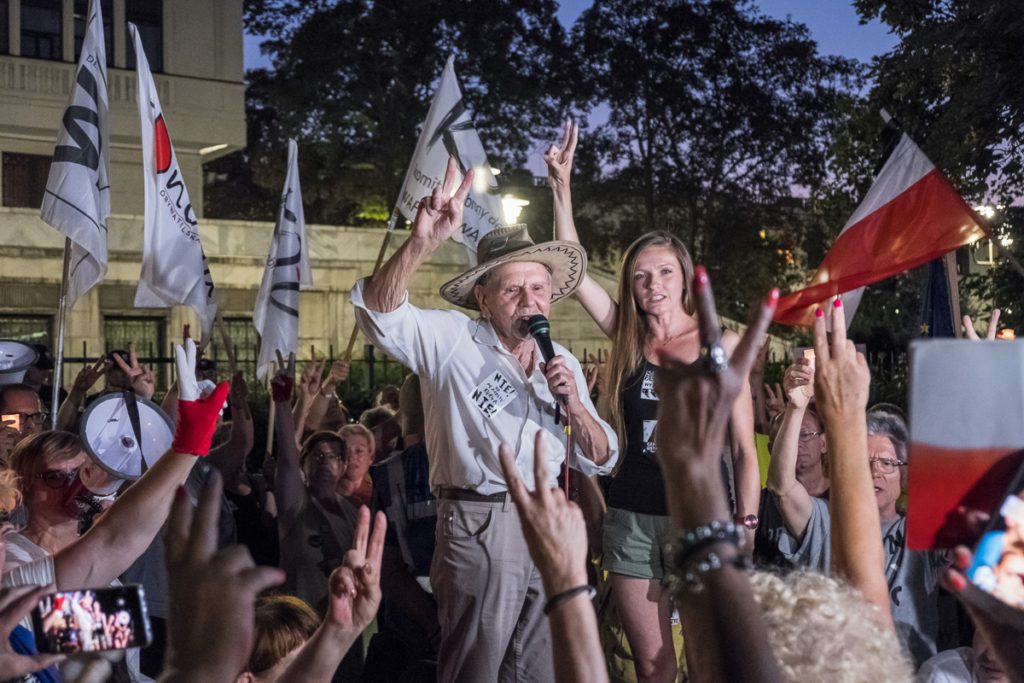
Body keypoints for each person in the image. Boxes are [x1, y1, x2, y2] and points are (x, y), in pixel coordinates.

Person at [352, 157, 617, 682]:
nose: (529, 301)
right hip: (478, 523)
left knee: (540, 670)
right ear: (483, 297)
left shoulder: (557, 357)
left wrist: (578, 408)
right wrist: (421, 243)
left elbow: (601, 456)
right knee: (475, 668)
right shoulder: (452, 342)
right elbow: (378, 314)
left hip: (550, 527)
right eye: (513, 290)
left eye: (539, 289)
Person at [546, 120, 760, 681]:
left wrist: (748, 522)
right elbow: (571, 271)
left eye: (664, 272)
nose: (653, 285)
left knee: (709, 659)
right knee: (652, 663)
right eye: (641, 277)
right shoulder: (627, 336)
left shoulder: (721, 343)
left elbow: (743, 450)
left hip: (699, 516)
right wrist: (561, 187)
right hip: (633, 515)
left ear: (684, 278)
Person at [271, 355, 360, 615]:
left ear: (344, 466)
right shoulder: (295, 504)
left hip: (341, 628)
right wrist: (283, 401)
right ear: (305, 463)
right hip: (300, 624)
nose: (325, 462)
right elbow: (287, 456)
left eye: (333, 456)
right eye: (317, 456)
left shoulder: (353, 512)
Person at [338, 423, 375, 506]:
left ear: (371, 458)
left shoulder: (377, 499)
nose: (351, 457)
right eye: (345, 450)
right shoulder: (322, 493)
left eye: (359, 451)